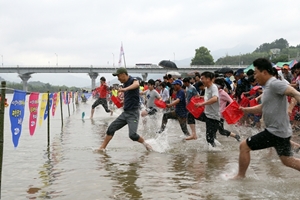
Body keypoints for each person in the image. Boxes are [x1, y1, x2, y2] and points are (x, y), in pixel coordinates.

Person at [233, 58, 300, 179]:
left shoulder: (275, 83)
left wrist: (291, 106)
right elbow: (263, 107)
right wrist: (245, 110)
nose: (255, 76)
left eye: (256, 72)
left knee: (244, 146)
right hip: (280, 131)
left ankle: (240, 177)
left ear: (264, 72)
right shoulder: (268, 87)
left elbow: (295, 93)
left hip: (276, 131)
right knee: (287, 160)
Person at [97, 67, 152, 151]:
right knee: (111, 128)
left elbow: (136, 84)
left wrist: (124, 89)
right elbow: (130, 96)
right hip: (125, 113)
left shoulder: (133, 79)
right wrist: (123, 101)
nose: (118, 79)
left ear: (123, 74)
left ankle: (146, 144)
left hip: (133, 113)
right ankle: (102, 148)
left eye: (118, 76)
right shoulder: (125, 84)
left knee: (132, 135)